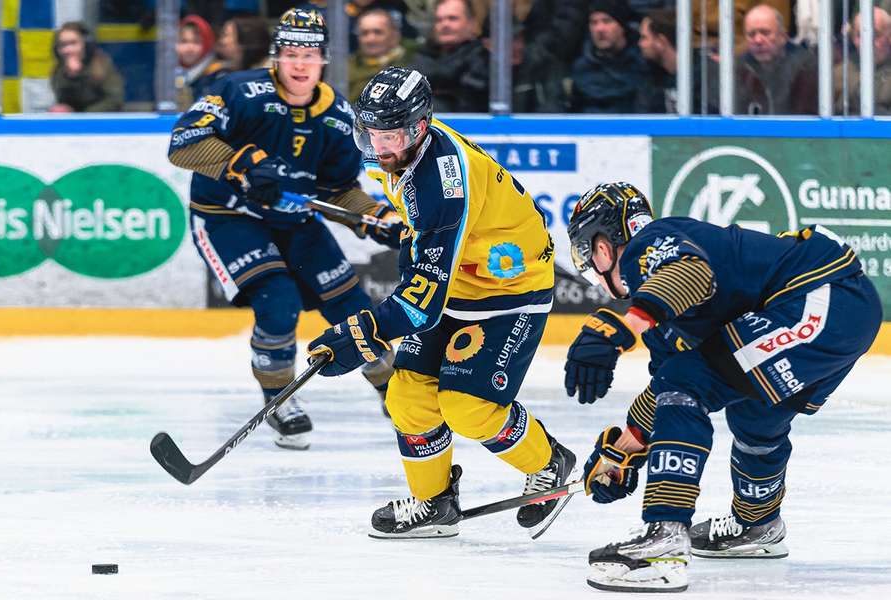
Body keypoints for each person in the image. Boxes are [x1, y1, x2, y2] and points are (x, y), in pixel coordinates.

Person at [562, 182, 881, 592]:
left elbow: (692, 275)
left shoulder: (649, 244)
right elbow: (665, 394)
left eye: (587, 255)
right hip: (835, 308)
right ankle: (757, 524)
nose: (592, 267)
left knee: (688, 383)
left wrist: (621, 328)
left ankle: (664, 541)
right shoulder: (659, 311)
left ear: (602, 247)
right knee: (755, 412)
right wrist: (621, 453)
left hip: (820, 297)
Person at [306, 66, 576, 539]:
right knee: (408, 397)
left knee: (468, 407)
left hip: (508, 291)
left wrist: (361, 335)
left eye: (389, 135)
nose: (379, 145)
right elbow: (428, 248)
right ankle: (434, 504)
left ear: (420, 126)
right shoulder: (404, 152)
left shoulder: (439, 179)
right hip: (459, 280)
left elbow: (420, 305)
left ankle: (550, 463)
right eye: (371, 133)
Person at [167, 9, 404, 450]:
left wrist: (377, 217)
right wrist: (241, 165)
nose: (299, 64)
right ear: (276, 57)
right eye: (291, 53)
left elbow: (337, 191)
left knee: (354, 309)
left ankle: (399, 395)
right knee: (278, 301)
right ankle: (278, 398)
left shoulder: (337, 115)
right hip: (228, 217)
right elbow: (183, 143)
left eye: (309, 54)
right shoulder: (239, 91)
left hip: (294, 221)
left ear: (324, 60)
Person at [569, 0, 648, 114]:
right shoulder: (581, 68)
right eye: (593, 22)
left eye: (607, 21)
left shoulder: (642, 63)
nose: (599, 29)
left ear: (622, 27)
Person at [736, 4, 818, 115]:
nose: (758, 40)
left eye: (765, 33)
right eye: (751, 34)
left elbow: (805, 120)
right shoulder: (740, 67)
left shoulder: (805, 67)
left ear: (783, 36)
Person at [410, 0, 490, 112]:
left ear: (471, 23)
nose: (445, 24)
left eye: (452, 18)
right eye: (439, 20)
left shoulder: (483, 56)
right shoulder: (424, 54)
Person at [50, 22, 124, 113]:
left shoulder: (102, 64)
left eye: (73, 43)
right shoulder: (59, 71)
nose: (68, 50)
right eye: (63, 45)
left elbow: (115, 101)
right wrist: (71, 77)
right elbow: (65, 100)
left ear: (86, 44)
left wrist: (83, 115)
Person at [348, 7, 417, 100]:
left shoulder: (413, 61)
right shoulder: (346, 67)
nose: (370, 39)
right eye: (364, 33)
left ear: (394, 36)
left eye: (378, 32)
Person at [833, 7, 891, 115]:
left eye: (876, 35)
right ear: (854, 39)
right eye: (860, 35)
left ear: (889, 36)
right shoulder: (838, 75)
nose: (867, 42)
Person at [175, 15, 230, 111]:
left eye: (196, 42)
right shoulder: (170, 74)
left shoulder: (219, 75)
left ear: (208, 44)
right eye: (184, 41)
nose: (189, 48)